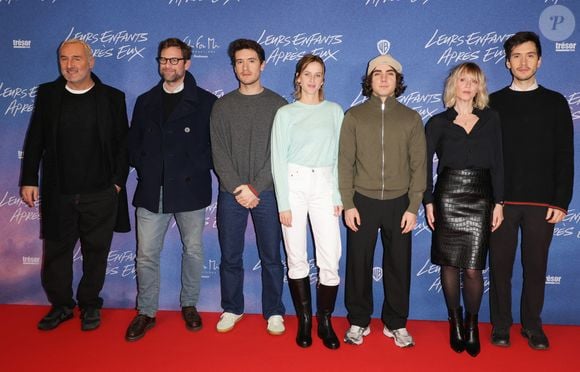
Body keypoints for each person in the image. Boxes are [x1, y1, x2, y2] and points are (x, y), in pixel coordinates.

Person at [19, 38, 130, 331]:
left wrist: (117, 185)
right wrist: (29, 178)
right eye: (64, 59)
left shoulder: (112, 97)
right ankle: (62, 306)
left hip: (101, 193)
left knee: (96, 254)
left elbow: (123, 146)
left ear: (91, 62)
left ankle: (90, 304)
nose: (70, 65)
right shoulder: (48, 94)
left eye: (77, 58)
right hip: (59, 193)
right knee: (56, 255)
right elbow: (35, 140)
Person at [125, 38, 217, 342]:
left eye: (175, 60)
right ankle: (146, 311)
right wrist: (150, 167)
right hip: (153, 189)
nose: (169, 65)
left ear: (187, 64)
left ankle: (189, 304)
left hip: (190, 188)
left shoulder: (205, 102)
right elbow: (133, 144)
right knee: (146, 255)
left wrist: (189, 166)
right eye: (164, 60)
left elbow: (213, 148)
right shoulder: (145, 100)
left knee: (193, 251)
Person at [489, 31, 574, 351]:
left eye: (529, 56)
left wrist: (561, 200)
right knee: (499, 267)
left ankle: (532, 325)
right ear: (507, 62)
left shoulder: (555, 102)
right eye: (516, 56)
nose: (523, 62)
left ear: (539, 60)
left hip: (542, 202)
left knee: (536, 267)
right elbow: (487, 156)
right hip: (502, 202)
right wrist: (490, 199)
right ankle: (500, 324)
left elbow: (565, 154)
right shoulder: (493, 103)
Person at [339, 54, 426, 348]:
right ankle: (358, 321)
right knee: (358, 264)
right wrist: (348, 203)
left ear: (397, 81)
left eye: (390, 73)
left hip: (399, 203)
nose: (384, 77)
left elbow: (419, 166)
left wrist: (414, 206)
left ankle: (396, 323)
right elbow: (344, 164)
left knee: (398, 265)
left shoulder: (411, 118)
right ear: (369, 80)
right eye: (378, 73)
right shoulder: (354, 116)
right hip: (362, 200)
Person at [424, 62, 504, 357]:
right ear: (453, 85)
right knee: (449, 264)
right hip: (448, 195)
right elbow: (422, 166)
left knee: (472, 268)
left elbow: (498, 163)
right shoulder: (437, 123)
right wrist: (428, 201)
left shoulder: (491, 119)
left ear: (480, 86)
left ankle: (472, 323)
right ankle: (454, 321)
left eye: (473, 81)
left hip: (481, 196)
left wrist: (500, 202)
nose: (467, 86)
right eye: (462, 80)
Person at [210, 39, 286, 335]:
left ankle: (274, 311)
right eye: (239, 62)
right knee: (230, 255)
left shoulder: (279, 105)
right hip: (231, 194)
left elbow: (281, 153)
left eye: (251, 61)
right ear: (234, 67)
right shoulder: (222, 106)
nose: (245, 67)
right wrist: (238, 187)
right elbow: (219, 152)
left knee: (271, 255)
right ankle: (232, 308)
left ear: (262, 64)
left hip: (267, 192)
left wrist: (256, 187)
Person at [271, 54, 344, 349]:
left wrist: (338, 194)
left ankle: (324, 320)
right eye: (308, 74)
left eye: (318, 75)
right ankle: (303, 320)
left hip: (325, 184)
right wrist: (283, 203)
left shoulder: (335, 111)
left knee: (330, 256)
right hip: (295, 183)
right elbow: (278, 159)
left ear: (323, 79)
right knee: (296, 256)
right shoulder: (285, 114)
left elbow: (341, 156)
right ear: (298, 78)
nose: (313, 80)